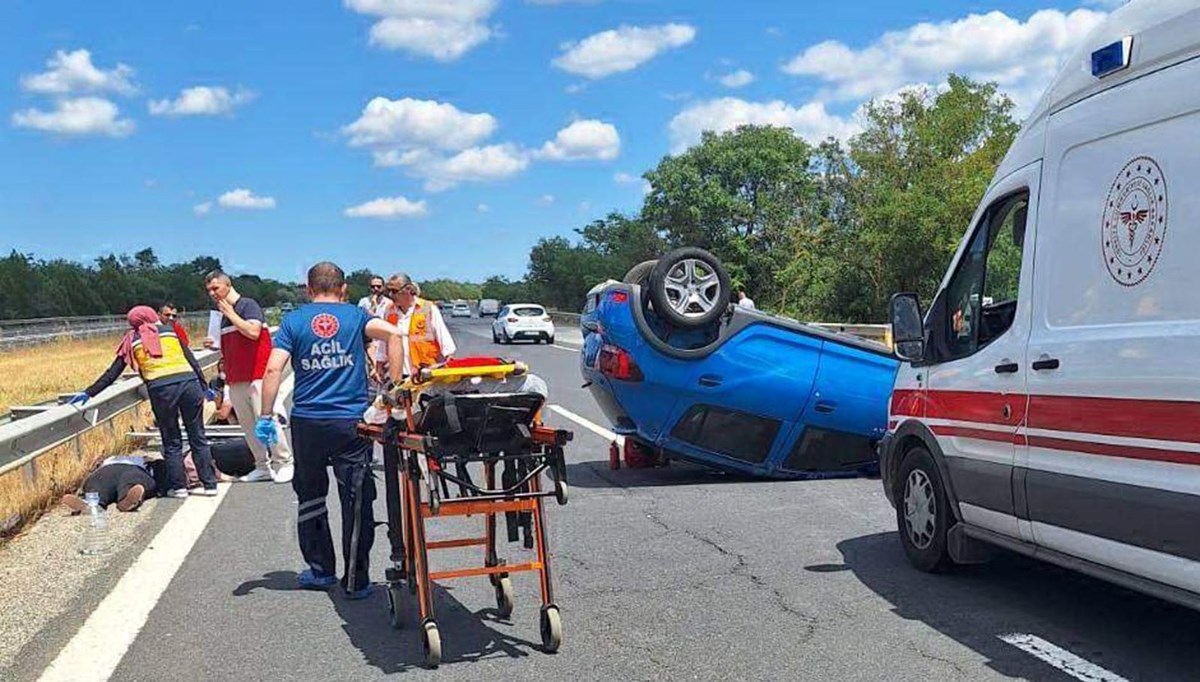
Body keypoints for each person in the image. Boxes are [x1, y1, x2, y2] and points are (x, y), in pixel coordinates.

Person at [255, 261, 403, 598]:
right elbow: (395, 334)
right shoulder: (357, 316)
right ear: (344, 288)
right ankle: (356, 579)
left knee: (310, 496)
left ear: (308, 289)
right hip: (352, 422)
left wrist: (265, 415)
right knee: (356, 497)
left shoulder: (293, 321)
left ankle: (321, 571)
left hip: (307, 421)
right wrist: (394, 387)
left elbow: (273, 370)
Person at [69, 306, 218, 499]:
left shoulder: (131, 340)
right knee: (197, 436)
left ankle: (179, 488)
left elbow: (112, 374)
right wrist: (204, 387)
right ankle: (210, 485)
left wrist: (89, 393)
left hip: (162, 390)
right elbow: (191, 360)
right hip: (189, 384)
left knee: (171, 440)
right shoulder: (170, 332)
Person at [203, 270, 294, 483]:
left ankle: (284, 461)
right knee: (248, 426)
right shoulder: (223, 316)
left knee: (266, 420)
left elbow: (253, 332)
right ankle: (262, 465)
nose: (212, 293)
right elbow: (234, 343)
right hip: (236, 378)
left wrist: (232, 315)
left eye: (216, 288)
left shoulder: (247, 305)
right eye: (209, 290)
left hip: (257, 375)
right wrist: (213, 343)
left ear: (228, 285)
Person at [376, 272, 457, 382]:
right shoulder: (389, 311)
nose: (390, 295)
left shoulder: (428, 309)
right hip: (398, 376)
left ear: (408, 289)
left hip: (424, 374)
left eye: (394, 291)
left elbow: (445, 342)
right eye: (388, 291)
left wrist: (447, 366)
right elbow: (383, 343)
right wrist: (379, 365)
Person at [62, 454, 158, 513]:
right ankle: (127, 499)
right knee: (132, 481)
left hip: (107, 470)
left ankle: (92, 503)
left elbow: (93, 469)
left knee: (98, 484)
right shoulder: (142, 460)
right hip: (134, 469)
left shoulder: (108, 459)